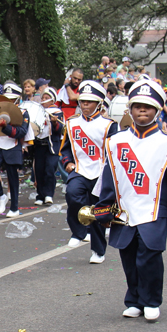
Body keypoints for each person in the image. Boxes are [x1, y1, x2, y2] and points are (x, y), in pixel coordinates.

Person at [93, 77, 167, 321]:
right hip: (124, 209)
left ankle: (151, 300)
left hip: (153, 209)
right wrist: (104, 207)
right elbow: (109, 176)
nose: (142, 110)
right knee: (128, 256)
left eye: (148, 106)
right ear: (129, 109)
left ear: (158, 111)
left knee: (148, 256)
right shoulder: (115, 142)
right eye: (137, 105)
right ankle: (134, 300)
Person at [60, 80, 117, 264]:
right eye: (82, 101)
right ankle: (79, 231)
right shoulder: (71, 123)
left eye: (89, 102)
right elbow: (66, 148)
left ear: (99, 103)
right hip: (80, 170)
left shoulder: (109, 125)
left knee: (98, 212)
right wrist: (68, 162)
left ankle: (98, 251)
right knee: (72, 194)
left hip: (101, 173)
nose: (84, 105)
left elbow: (115, 151)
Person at [0, 83, 30, 217]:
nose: (10, 102)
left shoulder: (23, 112)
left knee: (12, 178)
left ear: (18, 99)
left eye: (12, 99)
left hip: (13, 146)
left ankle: (14, 208)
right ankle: (0, 196)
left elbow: (21, 132)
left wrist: (6, 127)